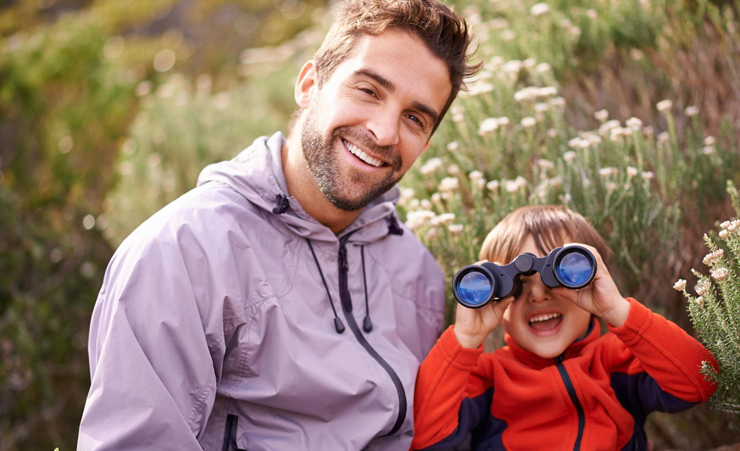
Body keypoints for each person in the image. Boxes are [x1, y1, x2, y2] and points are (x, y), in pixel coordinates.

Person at [77, 1, 480, 449]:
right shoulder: (184, 252)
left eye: (414, 118)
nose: (385, 131)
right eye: (368, 90)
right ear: (309, 85)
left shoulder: (416, 269)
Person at [412, 205, 718, 451]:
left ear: (594, 278)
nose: (538, 294)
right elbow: (428, 438)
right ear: (496, 296)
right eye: (516, 285)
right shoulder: (488, 376)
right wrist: (463, 339)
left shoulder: (613, 360)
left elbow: (699, 382)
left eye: (558, 276)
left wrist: (617, 310)